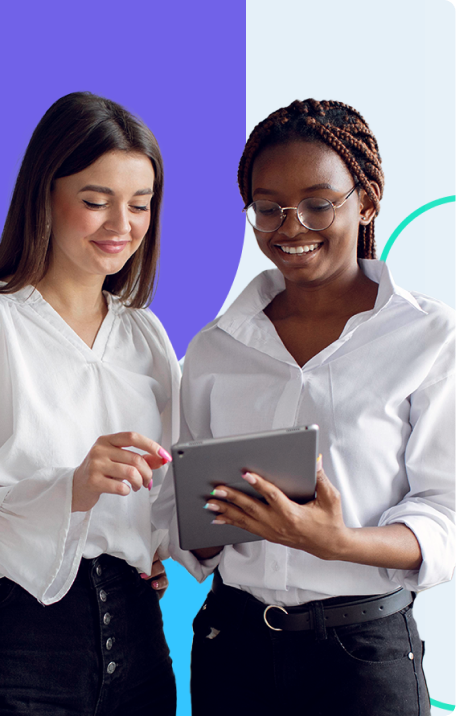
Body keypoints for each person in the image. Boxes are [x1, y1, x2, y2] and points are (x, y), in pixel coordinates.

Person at [154, 99, 456, 715]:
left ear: (365, 202)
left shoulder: (429, 337)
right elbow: (176, 508)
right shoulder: (215, 347)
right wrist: (205, 532)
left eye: (319, 203)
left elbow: (445, 512)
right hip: (230, 645)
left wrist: (337, 541)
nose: (290, 227)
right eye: (268, 208)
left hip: (363, 655)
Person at [0, 92, 180, 715]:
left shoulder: (146, 335)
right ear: (43, 194)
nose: (121, 225)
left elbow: (168, 499)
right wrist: (69, 490)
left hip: (137, 637)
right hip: (13, 639)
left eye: (140, 205)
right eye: (96, 201)